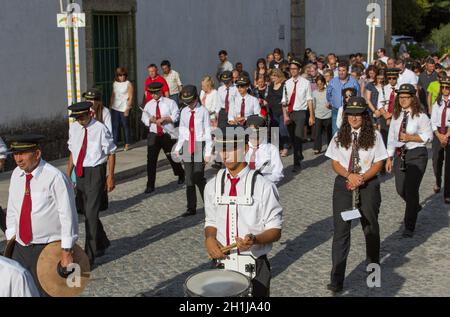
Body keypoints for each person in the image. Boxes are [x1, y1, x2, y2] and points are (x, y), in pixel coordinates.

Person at [204, 125, 283, 297]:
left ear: (245, 148)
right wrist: (210, 238)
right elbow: (210, 222)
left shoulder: (265, 187)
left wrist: (255, 239)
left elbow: (276, 231)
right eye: (221, 149)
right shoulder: (211, 186)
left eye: (231, 149)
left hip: (255, 266)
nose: (225, 155)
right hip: (221, 265)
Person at [325, 97, 388, 294]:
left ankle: (373, 274)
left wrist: (361, 178)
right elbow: (334, 162)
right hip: (344, 184)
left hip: (368, 185)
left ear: (364, 116)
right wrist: (349, 175)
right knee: (341, 232)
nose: (354, 118)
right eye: (350, 114)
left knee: (370, 229)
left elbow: (378, 163)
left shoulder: (375, 136)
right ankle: (337, 279)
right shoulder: (339, 136)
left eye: (358, 114)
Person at [6, 134, 79, 295]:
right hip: (20, 248)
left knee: (48, 292)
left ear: (37, 154)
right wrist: (11, 235)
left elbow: (68, 216)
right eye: (16, 154)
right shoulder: (16, 176)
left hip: (47, 249)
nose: (18, 159)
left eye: (23, 153)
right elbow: (12, 208)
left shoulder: (55, 178)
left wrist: (67, 251)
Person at [67, 102, 115, 265]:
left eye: (82, 117)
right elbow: (73, 153)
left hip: (96, 171)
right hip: (80, 172)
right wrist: (68, 175)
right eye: (77, 118)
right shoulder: (74, 129)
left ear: (89, 113)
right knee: (85, 211)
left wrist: (110, 177)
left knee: (91, 214)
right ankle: (103, 242)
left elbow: (111, 153)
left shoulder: (100, 128)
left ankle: (90, 255)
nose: (80, 120)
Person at [385, 84, 433, 238]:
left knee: (412, 190)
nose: (403, 100)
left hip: (417, 154)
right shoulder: (396, 115)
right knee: (401, 189)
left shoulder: (421, 116)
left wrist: (410, 137)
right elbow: (392, 136)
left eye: (406, 98)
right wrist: (389, 157)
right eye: (401, 98)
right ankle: (414, 206)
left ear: (413, 99)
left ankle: (409, 226)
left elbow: (428, 136)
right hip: (400, 154)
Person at [174, 86, 212, 217]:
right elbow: (182, 132)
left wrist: (207, 153)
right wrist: (178, 147)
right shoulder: (184, 111)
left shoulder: (203, 111)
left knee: (198, 177)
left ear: (196, 98)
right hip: (186, 144)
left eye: (190, 101)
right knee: (189, 178)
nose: (188, 104)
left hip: (198, 144)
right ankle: (191, 207)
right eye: (186, 102)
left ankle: (209, 205)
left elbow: (208, 132)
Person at [141, 82, 185, 194]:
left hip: (167, 134)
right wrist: (150, 120)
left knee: (172, 157)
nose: (153, 95)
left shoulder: (170, 102)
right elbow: (143, 118)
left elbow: (176, 115)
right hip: (153, 134)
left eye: (155, 92)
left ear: (160, 91)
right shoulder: (148, 105)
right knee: (151, 160)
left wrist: (165, 119)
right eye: (151, 93)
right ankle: (150, 184)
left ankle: (181, 174)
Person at [281, 58, 315, 173]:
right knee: (293, 138)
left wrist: (311, 116)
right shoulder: (287, 83)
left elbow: (309, 99)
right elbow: (284, 101)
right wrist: (285, 115)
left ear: (299, 70)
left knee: (297, 137)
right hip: (290, 113)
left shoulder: (305, 83)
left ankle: (296, 164)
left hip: (301, 113)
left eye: (295, 69)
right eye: (291, 69)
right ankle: (299, 153)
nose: (293, 71)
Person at [246, 115, 284, 184]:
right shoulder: (242, 148)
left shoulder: (272, 149)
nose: (255, 137)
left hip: (264, 187)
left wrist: (262, 179)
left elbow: (278, 173)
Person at [327, 61, 360, 135]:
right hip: (336, 110)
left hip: (350, 110)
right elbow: (328, 94)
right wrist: (332, 103)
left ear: (347, 71)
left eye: (343, 70)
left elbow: (358, 96)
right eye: (339, 70)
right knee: (336, 131)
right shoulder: (332, 82)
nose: (341, 72)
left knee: (349, 131)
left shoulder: (354, 82)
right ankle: (336, 146)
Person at [430, 76, 450, 202]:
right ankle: (438, 180)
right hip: (438, 132)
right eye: (442, 87)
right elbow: (432, 121)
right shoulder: (437, 102)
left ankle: (447, 193)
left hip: (448, 132)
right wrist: (439, 135)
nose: (444, 89)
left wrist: (446, 136)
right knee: (436, 160)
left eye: (447, 87)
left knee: (449, 165)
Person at [267, 69, 289, 157]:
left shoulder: (284, 85)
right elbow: (268, 97)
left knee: (283, 129)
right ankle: (276, 148)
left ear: (279, 76)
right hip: (272, 111)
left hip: (282, 111)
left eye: (275, 76)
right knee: (274, 130)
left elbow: (286, 97)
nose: (273, 78)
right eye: (272, 76)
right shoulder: (271, 85)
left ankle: (286, 147)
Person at [110, 67, 133, 150]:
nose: (122, 77)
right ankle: (115, 143)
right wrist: (110, 105)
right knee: (115, 126)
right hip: (115, 107)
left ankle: (127, 143)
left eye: (124, 75)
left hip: (124, 107)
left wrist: (128, 108)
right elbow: (113, 95)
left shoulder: (128, 83)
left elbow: (130, 97)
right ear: (117, 76)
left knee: (125, 126)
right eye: (120, 75)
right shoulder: (115, 83)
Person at [313, 75, 332, 154]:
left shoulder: (328, 91)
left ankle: (330, 147)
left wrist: (330, 104)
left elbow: (332, 101)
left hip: (328, 114)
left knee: (329, 133)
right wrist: (312, 115)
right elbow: (313, 105)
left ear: (324, 83)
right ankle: (317, 148)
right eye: (317, 84)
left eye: (321, 84)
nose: (319, 86)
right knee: (317, 133)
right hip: (318, 115)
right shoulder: (313, 93)